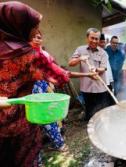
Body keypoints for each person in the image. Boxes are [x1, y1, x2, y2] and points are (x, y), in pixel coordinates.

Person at [0, 1, 78, 166]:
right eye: (33, 26)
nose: (36, 31)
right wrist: (46, 57)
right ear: (20, 26)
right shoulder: (29, 55)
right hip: (20, 123)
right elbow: (61, 78)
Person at [30, 31, 68, 152]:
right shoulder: (23, 54)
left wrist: (50, 82)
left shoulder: (43, 55)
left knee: (48, 117)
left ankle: (59, 143)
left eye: (39, 37)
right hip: (27, 93)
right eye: (33, 37)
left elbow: (53, 71)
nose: (36, 39)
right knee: (31, 123)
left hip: (40, 89)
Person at [69, 28, 109, 121]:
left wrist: (96, 69)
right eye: (92, 38)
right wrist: (80, 58)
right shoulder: (80, 49)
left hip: (100, 88)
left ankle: (100, 128)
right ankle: (89, 126)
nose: (94, 41)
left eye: (97, 39)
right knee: (89, 110)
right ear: (87, 37)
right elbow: (70, 63)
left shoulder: (103, 53)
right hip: (86, 88)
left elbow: (103, 68)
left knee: (101, 111)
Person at [99, 33, 115, 105]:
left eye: (104, 42)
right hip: (101, 82)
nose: (103, 44)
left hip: (107, 81)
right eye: (101, 42)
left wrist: (111, 80)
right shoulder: (96, 53)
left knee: (108, 102)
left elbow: (108, 69)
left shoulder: (105, 52)